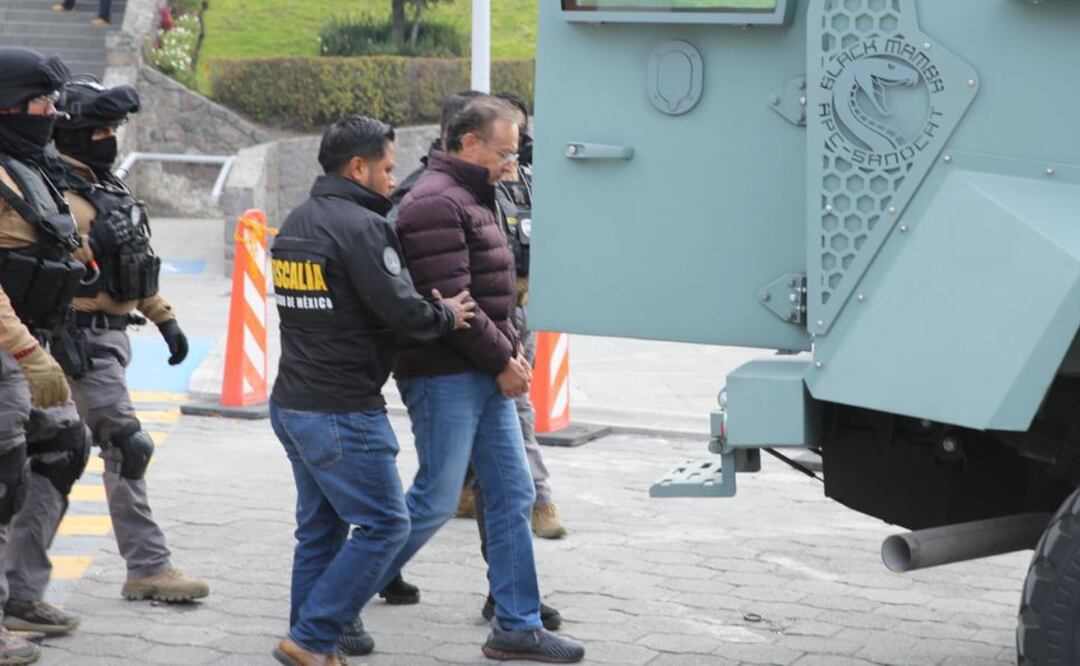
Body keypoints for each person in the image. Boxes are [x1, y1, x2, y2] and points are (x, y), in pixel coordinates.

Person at [380, 96, 585, 663]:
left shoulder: (475, 194)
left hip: (486, 369)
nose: (511, 165)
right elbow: (458, 306)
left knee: (513, 491)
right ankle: (334, 599)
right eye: (504, 153)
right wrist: (504, 361)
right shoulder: (432, 204)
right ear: (468, 145)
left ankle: (516, 624)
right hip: (447, 373)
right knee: (435, 499)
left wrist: (510, 352)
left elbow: (496, 292)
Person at [268, 114, 475, 666]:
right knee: (387, 525)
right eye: (386, 168)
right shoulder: (363, 227)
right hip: (341, 410)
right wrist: (446, 315)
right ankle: (313, 637)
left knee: (320, 529)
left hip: (293, 401)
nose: (392, 179)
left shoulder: (298, 220)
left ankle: (313, 642)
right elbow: (401, 310)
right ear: (357, 167)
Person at [49, 76, 209, 603]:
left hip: (113, 339)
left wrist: (165, 318)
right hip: (79, 343)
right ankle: (147, 566)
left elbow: (133, 267)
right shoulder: (55, 195)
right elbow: (52, 274)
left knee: (52, 457)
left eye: (113, 128)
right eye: (100, 129)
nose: (109, 137)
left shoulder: (107, 186)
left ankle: (22, 583)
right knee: (123, 446)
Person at [0, 47, 95, 662]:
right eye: (42, 102)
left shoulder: (31, 164)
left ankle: (21, 595)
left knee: (63, 448)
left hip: (37, 343)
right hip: (12, 347)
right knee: (3, 480)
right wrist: (28, 351)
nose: (53, 112)